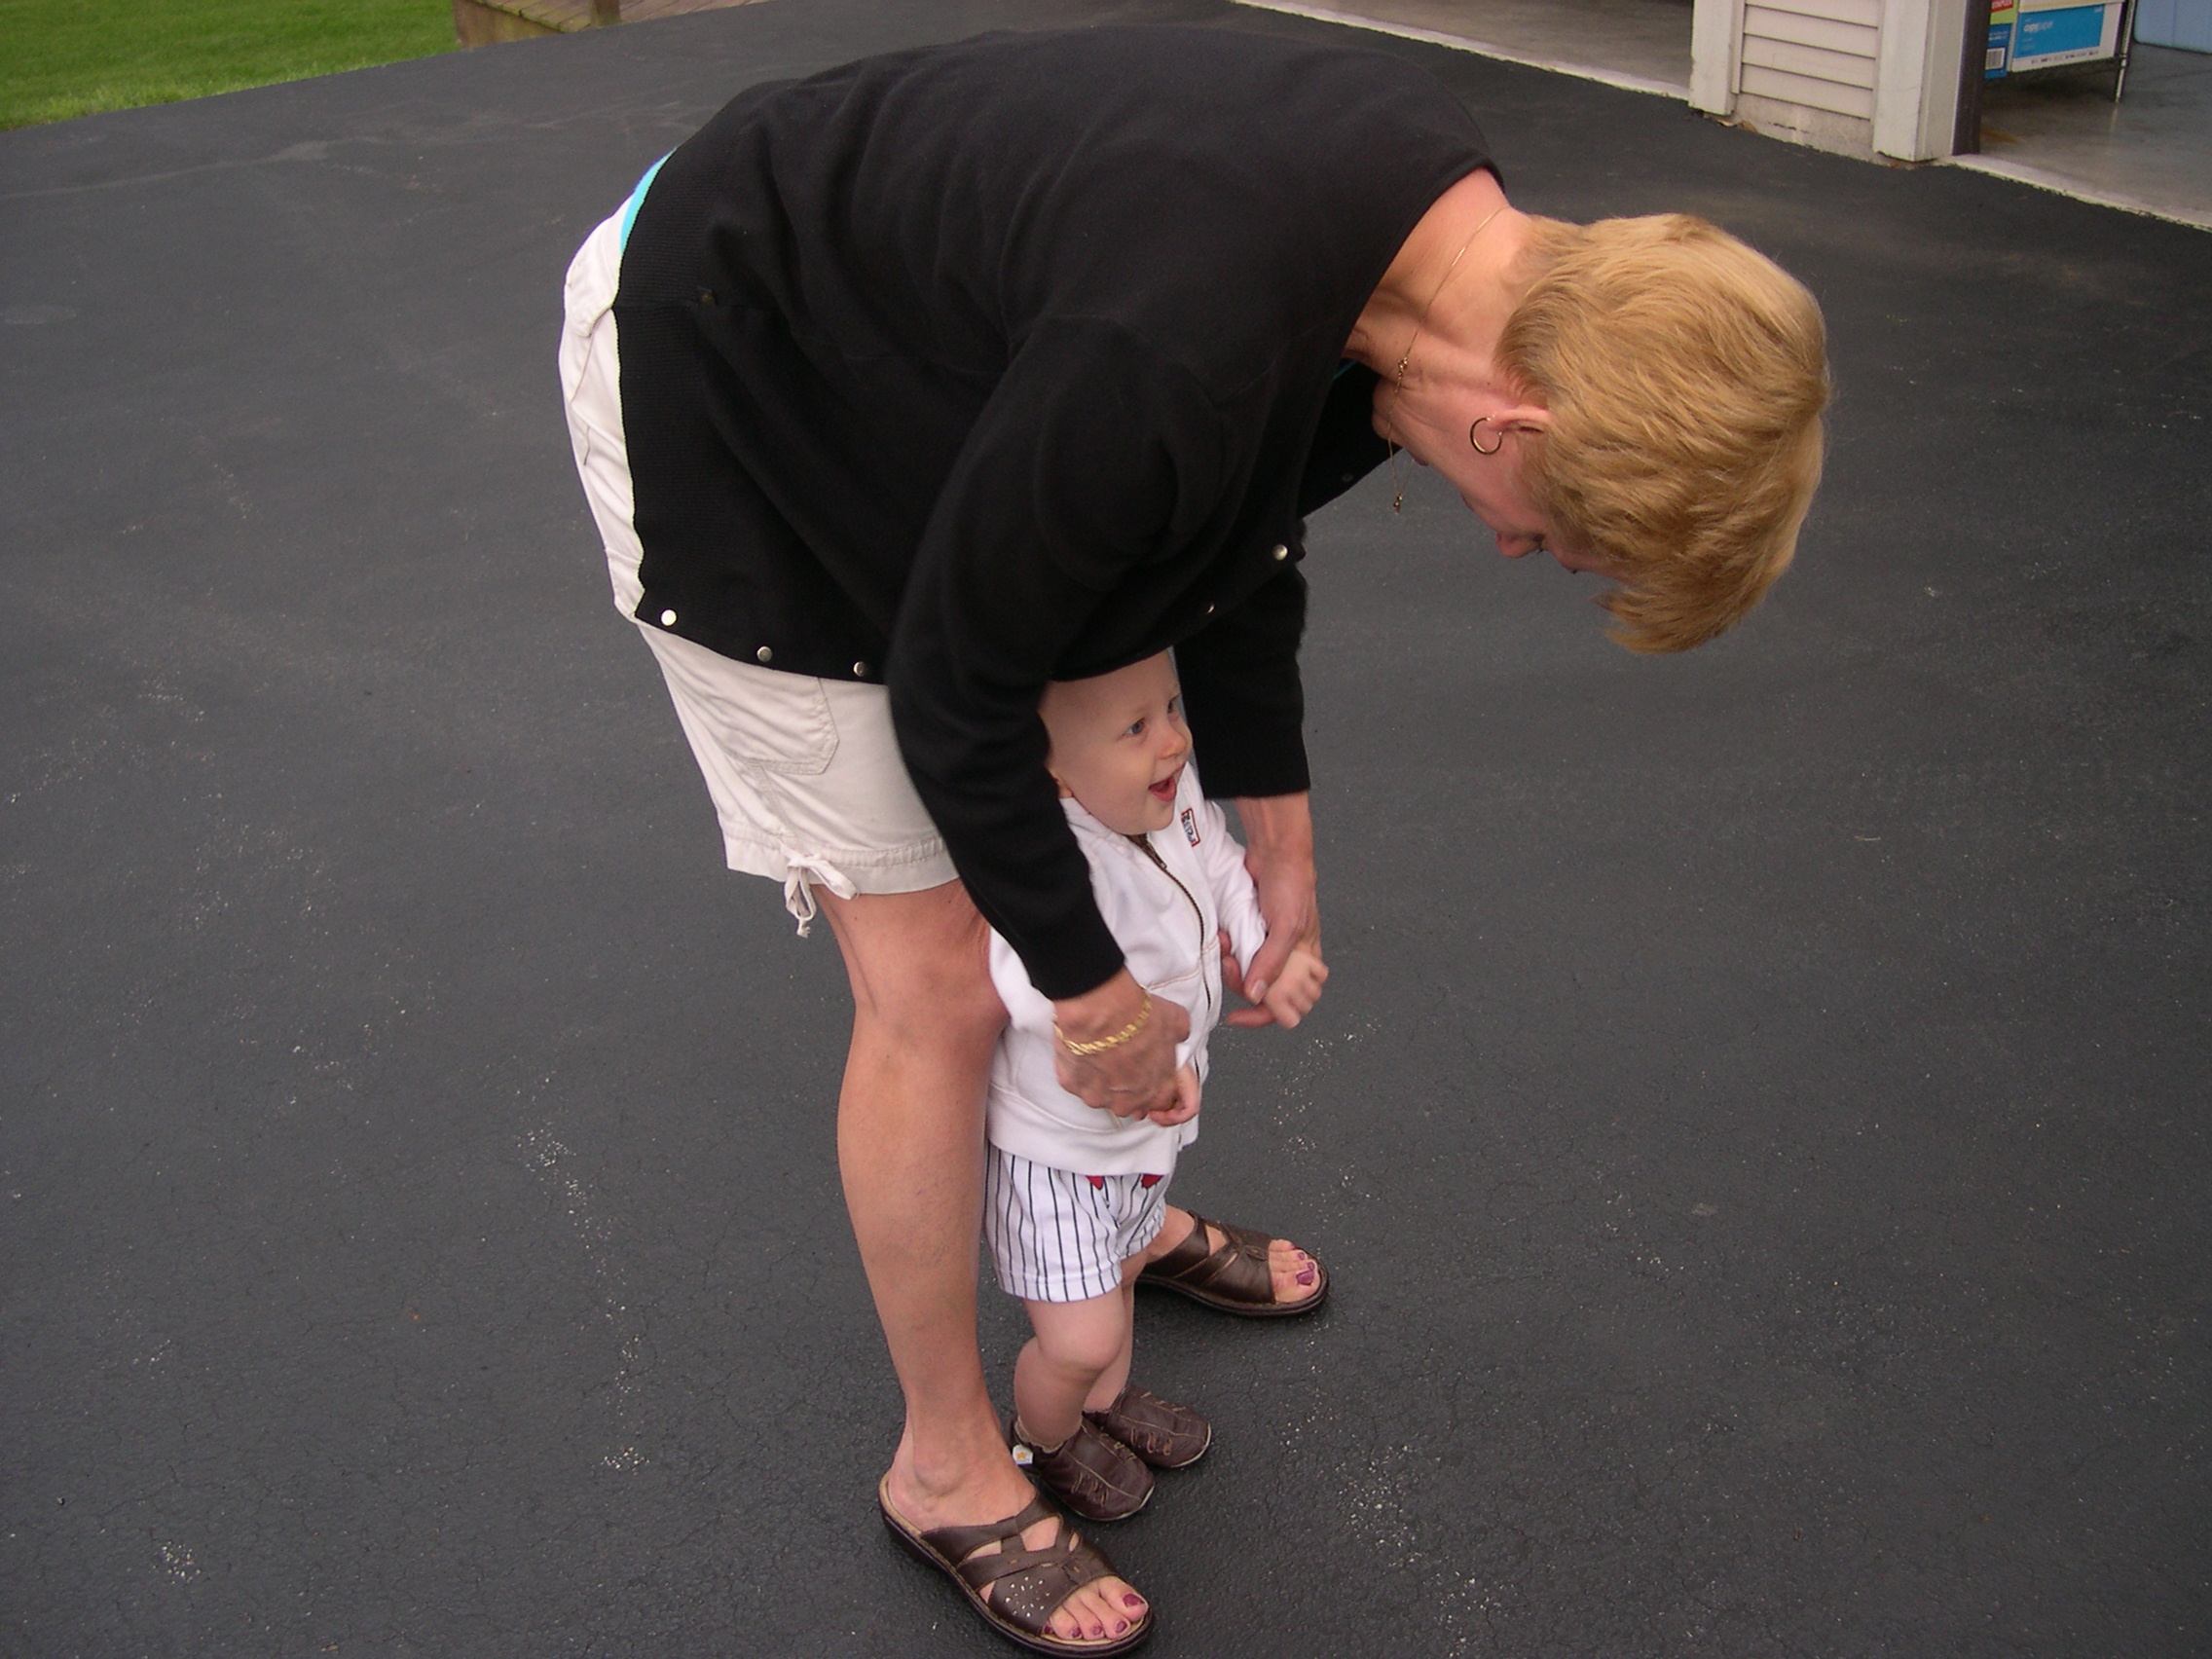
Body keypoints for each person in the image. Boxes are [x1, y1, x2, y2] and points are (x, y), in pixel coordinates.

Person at [557, 23, 1828, 1652]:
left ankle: (1097, 1210)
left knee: (1075, 814)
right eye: (1570, 545)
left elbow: (1232, 533)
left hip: (955, 370)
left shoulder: (1429, 263)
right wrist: (1091, 999)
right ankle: (945, 1463)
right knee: (943, 972)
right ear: (1514, 428)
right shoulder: (1175, 337)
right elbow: (958, 690)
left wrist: (1277, 830)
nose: (1522, 552)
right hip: (733, 358)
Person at [979, 653, 1326, 1539]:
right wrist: (1140, 1026)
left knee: (1126, 1277)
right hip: (1060, 1157)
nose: (1173, 736)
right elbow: (1028, 988)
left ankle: (1102, 1404)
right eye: (1135, 728)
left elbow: (1225, 871)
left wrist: (1264, 954)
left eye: (1172, 706)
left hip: (1145, 1143)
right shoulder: (1051, 865)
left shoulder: (1172, 811)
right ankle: (1042, 1437)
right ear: (1051, 765)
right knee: (1079, 1335)